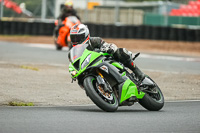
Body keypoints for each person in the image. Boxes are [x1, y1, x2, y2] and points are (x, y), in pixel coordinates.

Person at [70, 24, 147, 84]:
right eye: (73, 38)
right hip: (89, 67)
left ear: (85, 35)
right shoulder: (75, 50)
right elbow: (73, 62)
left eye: (78, 37)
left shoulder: (94, 41)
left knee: (120, 52)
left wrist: (108, 48)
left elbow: (108, 45)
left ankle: (138, 72)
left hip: (104, 60)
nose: (76, 40)